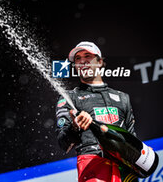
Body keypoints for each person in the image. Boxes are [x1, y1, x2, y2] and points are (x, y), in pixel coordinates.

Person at [55, 41, 138, 182]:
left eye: (87, 56)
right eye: (77, 59)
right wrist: (75, 126)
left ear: (99, 62)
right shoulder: (69, 98)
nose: (82, 61)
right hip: (93, 166)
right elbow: (63, 143)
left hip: (125, 169)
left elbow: (134, 141)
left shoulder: (122, 98)